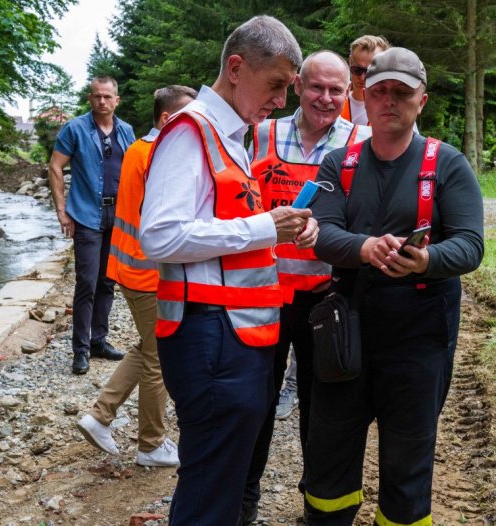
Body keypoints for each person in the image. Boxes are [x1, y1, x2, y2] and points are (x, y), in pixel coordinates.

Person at [138, 16, 317, 526]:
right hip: (211, 336)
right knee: (210, 489)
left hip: (230, 338)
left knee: (218, 483)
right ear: (236, 68)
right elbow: (160, 236)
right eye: (277, 84)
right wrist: (264, 228)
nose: (282, 101)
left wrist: (277, 231)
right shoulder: (191, 131)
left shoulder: (231, 136)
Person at [304, 47, 484, 525]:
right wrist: (365, 249)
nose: (389, 101)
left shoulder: (447, 165)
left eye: (401, 93)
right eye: (379, 90)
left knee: (408, 457)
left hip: (419, 335)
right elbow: (322, 233)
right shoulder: (337, 164)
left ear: (421, 100)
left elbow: (470, 245)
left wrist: (425, 260)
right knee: (330, 450)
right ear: (364, 96)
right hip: (347, 328)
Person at [240, 50, 372, 524]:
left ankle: (317, 505)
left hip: (327, 300)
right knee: (255, 404)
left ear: (349, 93)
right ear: (298, 85)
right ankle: (244, 502)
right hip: (263, 297)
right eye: (317, 87)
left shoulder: (363, 142)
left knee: (324, 414)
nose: (327, 98)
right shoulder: (260, 134)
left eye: (338, 90)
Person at [76, 85, 197, 467]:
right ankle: (150, 444)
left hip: (130, 267)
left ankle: (100, 416)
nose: (195, 125)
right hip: (149, 272)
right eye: (187, 117)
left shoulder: (138, 149)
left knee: (147, 346)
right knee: (158, 356)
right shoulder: (159, 154)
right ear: (166, 119)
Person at [49, 76, 135, 375]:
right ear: (90, 98)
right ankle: (81, 349)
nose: (102, 101)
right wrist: (62, 210)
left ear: (116, 100)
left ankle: (99, 341)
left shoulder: (126, 132)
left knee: (108, 281)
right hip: (86, 215)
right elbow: (55, 166)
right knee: (86, 281)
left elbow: (135, 173)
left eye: (108, 97)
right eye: (97, 96)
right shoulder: (75, 128)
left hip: (118, 216)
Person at [340, 35, 390, 125]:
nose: (362, 78)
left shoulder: (392, 109)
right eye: (357, 70)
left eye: (370, 71)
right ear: (350, 62)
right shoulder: (336, 103)